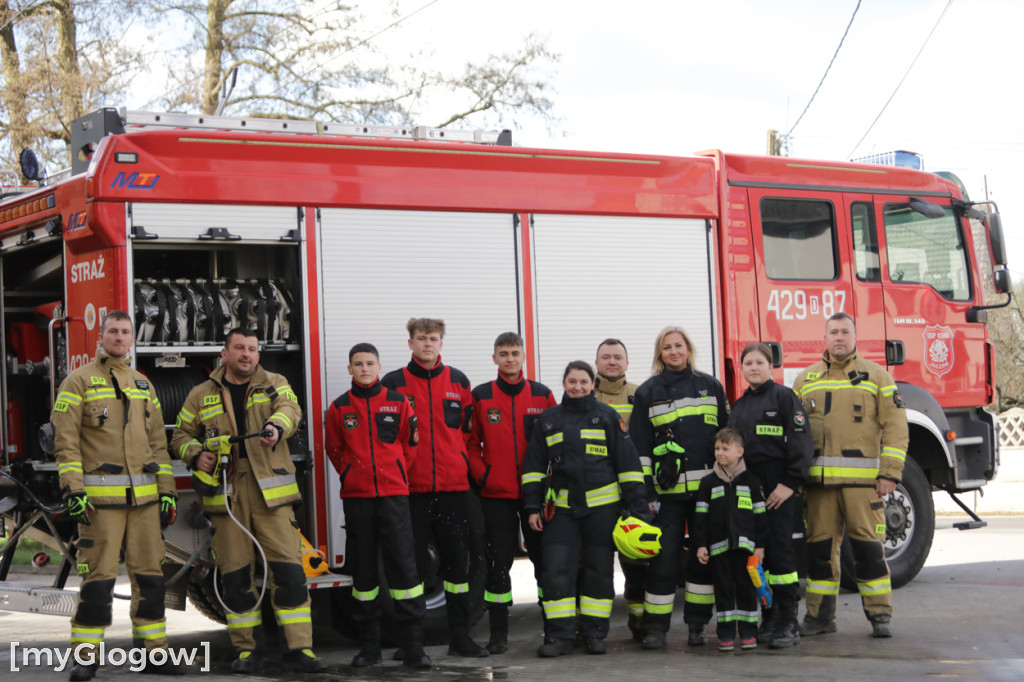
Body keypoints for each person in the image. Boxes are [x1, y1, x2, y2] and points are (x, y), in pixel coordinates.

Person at [171, 328, 327, 673]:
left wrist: (276, 427)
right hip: (227, 494)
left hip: (270, 491)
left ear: (259, 354)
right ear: (224, 353)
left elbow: (291, 409)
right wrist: (196, 455)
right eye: (239, 348)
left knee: (289, 573)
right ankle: (247, 651)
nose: (246, 354)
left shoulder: (274, 382)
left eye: (253, 349)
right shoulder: (200, 394)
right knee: (236, 578)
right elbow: (180, 435)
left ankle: (300, 651)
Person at [53, 310, 183, 681]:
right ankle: (85, 657)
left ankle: (154, 655)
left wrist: (167, 493)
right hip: (98, 506)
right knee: (98, 581)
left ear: (132, 339)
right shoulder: (77, 382)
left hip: (144, 505)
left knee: (151, 580)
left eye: (126, 332)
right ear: (101, 335)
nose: (120, 337)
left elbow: (159, 445)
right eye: (113, 330)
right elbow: (66, 445)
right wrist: (73, 490)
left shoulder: (143, 384)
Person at [793, 312, 908, 638]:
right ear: (825, 337)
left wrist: (889, 473)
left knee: (869, 551)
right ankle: (819, 618)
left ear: (855, 337)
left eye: (845, 332)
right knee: (819, 556)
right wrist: (797, 479)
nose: (839, 337)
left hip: (864, 486)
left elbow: (896, 429)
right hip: (819, 487)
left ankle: (880, 616)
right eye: (833, 332)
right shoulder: (805, 380)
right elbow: (796, 434)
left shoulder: (877, 377)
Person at [522, 361, 648, 657]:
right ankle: (559, 636)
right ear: (563, 384)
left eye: (583, 381)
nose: (577, 386)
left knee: (598, 573)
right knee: (556, 571)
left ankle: (595, 634)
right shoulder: (549, 420)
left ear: (593, 384)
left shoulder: (607, 416)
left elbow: (628, 467)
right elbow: (533, 468)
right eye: (572, 381)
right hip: (561, 511)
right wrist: (532, 506)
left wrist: (637, 507)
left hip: (601, 511)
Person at [381, 318, 486, 657]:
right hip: (410, 492)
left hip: (454, 490)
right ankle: (410, 644)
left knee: (457, 567)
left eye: (434, 339)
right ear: (410, 343)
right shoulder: (394, 383)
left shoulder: (458, 381)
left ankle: (460, 638)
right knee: (410, 569)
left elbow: (468, 434)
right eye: (422, 338)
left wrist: (464, 469)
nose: (428, 344)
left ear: (442, 343)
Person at [324, 343, 431, 669]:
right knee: (365, 575)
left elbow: (410, 446)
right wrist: (350, 474)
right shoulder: (339, 408)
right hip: (358, 501)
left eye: (370, 363)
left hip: (394, 497)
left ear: (379, 367)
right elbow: (334, 449)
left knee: (405, 572)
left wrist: (394, 473)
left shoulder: (399, 403)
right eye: (358, 363)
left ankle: (414, 647)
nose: (364, 368)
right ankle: (369, 646)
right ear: (350, 369)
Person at [630, 325, 728, 649]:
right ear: (660, 354)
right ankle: (655, 629)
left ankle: (697, 626)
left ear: (688, 349)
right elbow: (641, 448)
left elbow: (726, 440)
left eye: (679, 345)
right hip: (667, 497)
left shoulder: (711, 386)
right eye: (667, 347)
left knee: (703, 560)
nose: (674, 351)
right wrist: (647, 493)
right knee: (663, 561)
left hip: (706, 495)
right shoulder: (648, 392)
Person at [468, 332, 556, 653]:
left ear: (523, 357)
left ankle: (552, 631)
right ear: (494, 358)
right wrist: (484, 475)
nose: (509, 359)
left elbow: (555, 443)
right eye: (503, 354)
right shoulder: (480, 396)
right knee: (498, 563)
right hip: (496, 495)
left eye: (514, 353)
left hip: (535, 497)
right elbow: (469, 444)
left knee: (543, 561)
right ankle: (498, 636)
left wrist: (548, 482)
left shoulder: (542, 395)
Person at [727, 342, 813, 648]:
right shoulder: (737, 407)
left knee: (781, 552)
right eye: (748, 362)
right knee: (757, 555)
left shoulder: (785, 398)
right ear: (742, 368)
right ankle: (771, 615)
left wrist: (790, 483)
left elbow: (802, 442)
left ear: (771, 367)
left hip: (780, 485)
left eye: (759, 362)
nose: (753, 367)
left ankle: (789, 621)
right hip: (750, 486)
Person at [694, 427, 767, 652]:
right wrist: (700, 545)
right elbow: (700, 518)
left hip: (746, 551)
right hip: (719, 550)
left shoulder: (752, 482)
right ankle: (725, 635)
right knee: (723, 591)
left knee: (746, 590)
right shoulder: (708, 483)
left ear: (740, 451)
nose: (720, 453)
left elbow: (760, 518)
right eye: (717, 448)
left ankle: (748, 634)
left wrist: (760, 547)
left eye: (726, 449)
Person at [592, 338, 646, 640]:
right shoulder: (582, 394)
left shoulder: (641, 395)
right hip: (596, 497)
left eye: (617, 357)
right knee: (594, 567)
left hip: (631, 495)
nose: (612, 362)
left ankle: (639, 624)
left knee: (636, 565)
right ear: (596, 363)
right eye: (605, 357)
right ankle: (593, 630)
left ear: (627, 362)